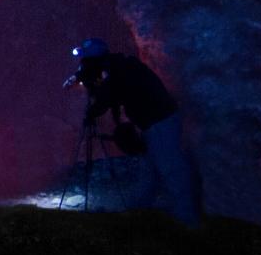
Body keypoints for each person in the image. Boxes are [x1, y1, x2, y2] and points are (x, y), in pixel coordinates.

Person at [69, 38, 203, 227]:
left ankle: (188, 219)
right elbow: (111, 93)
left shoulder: (115, 71)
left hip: (158, 121)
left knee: (170, 168)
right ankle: (140, 210)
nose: (83, 64)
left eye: (85, 60)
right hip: (156, 121)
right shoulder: (119, 66)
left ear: (93, 59)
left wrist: (93, 108)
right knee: (152, 169)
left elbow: (107, 96)